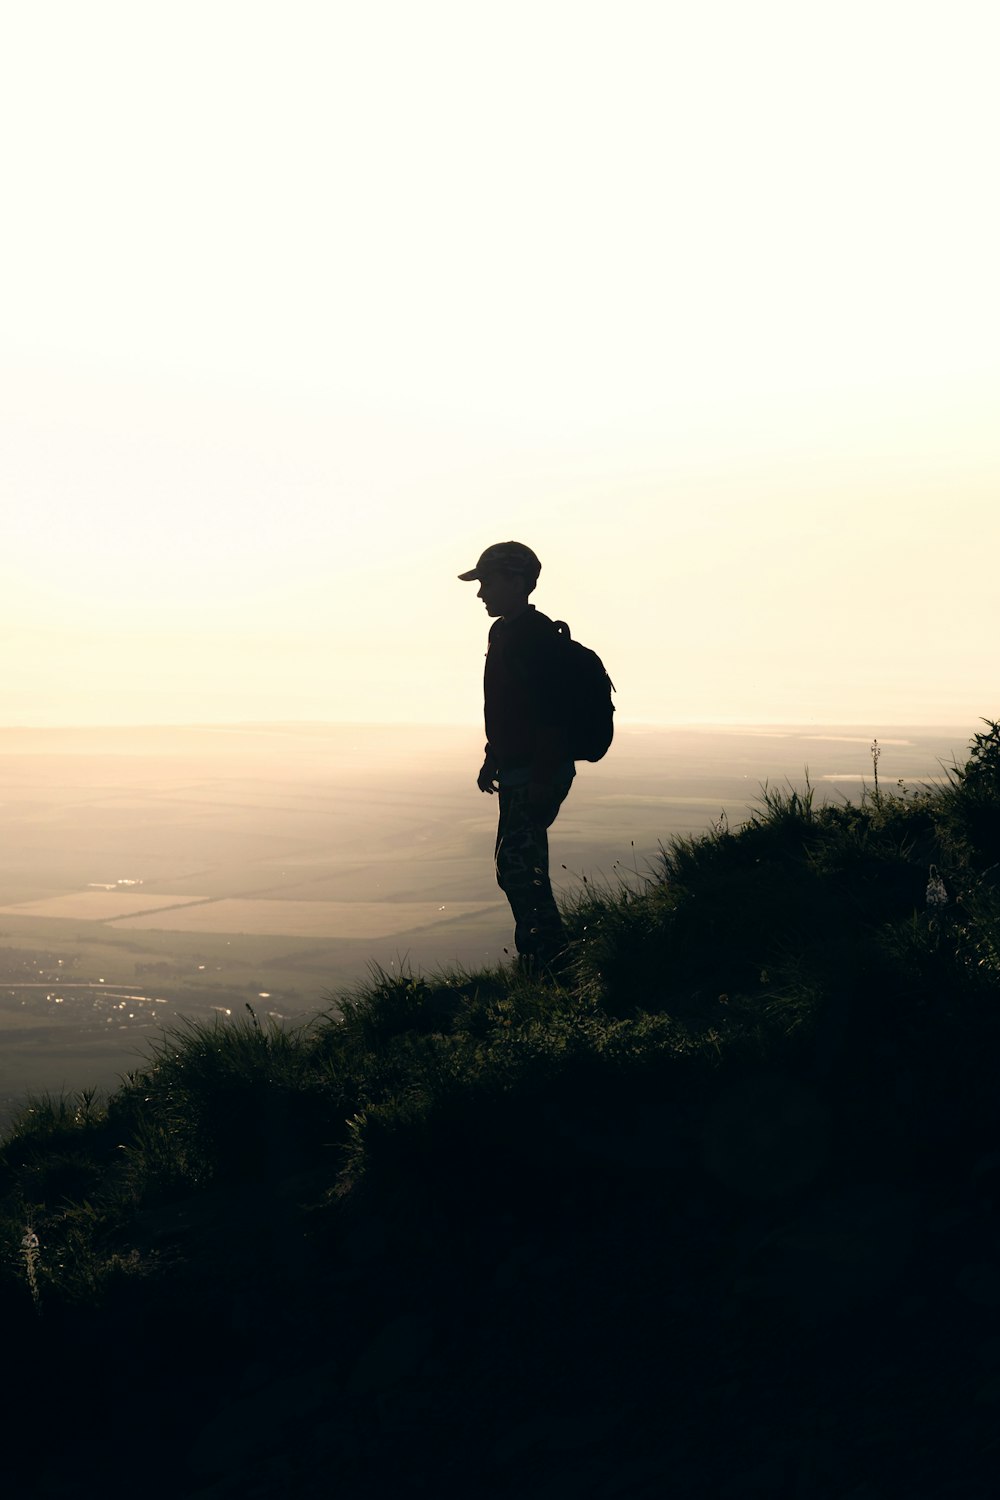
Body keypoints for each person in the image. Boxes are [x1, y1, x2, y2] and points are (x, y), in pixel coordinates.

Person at [458, 541, 575, 970]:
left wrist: (542, 777)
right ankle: (547, 957)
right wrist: (494, 757)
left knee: (519, 868)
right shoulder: (505, 632)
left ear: (516, 581)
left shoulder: (534, 638)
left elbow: (550, 716)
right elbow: (510, 706)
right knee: (516, 867)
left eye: (487, 581)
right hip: (520, 769)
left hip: (536, 771)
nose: (480, 592)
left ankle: (552, 960)